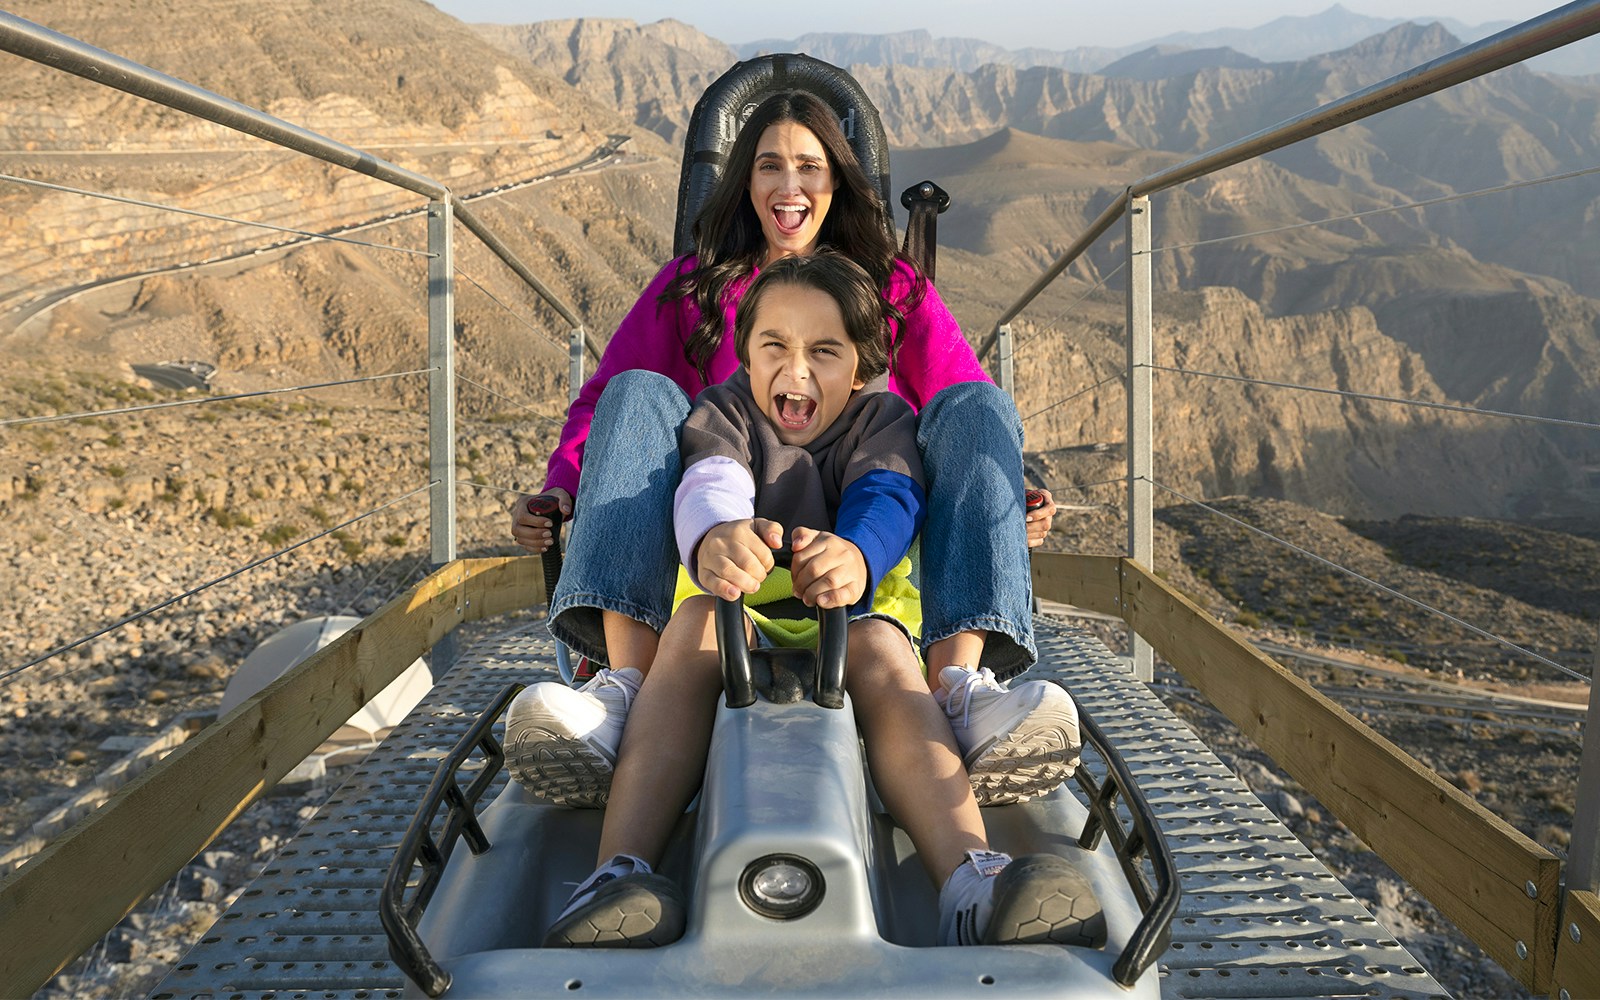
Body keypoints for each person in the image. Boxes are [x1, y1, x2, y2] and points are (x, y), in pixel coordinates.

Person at [505, 89, 1077, 809]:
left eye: (809, 166)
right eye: (770, 166)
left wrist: (1004, 493)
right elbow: (607, 409)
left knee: (978, 404)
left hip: (865, 540)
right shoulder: (693, 288)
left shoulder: (892, 290)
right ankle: (627, 691)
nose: (789, 185)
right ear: (745, 182)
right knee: (637, 389)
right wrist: (562, 485)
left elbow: (962, 401)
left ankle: (961, 691)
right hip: (722, 553)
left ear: (837, 182)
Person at [543, 252, 1084, 949]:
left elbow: (887, 493)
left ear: (860, 367)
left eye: (824, 352)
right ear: (744, 355)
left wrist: (856, 552)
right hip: (737, 613)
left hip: (852, 616)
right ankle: (616, 872)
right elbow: (711, 477)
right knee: (692, 632)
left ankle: (970, 877)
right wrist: (714, 534)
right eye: (774, 346)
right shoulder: (724, 410)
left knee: (886, 657)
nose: (795, 371)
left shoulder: (882, 419)